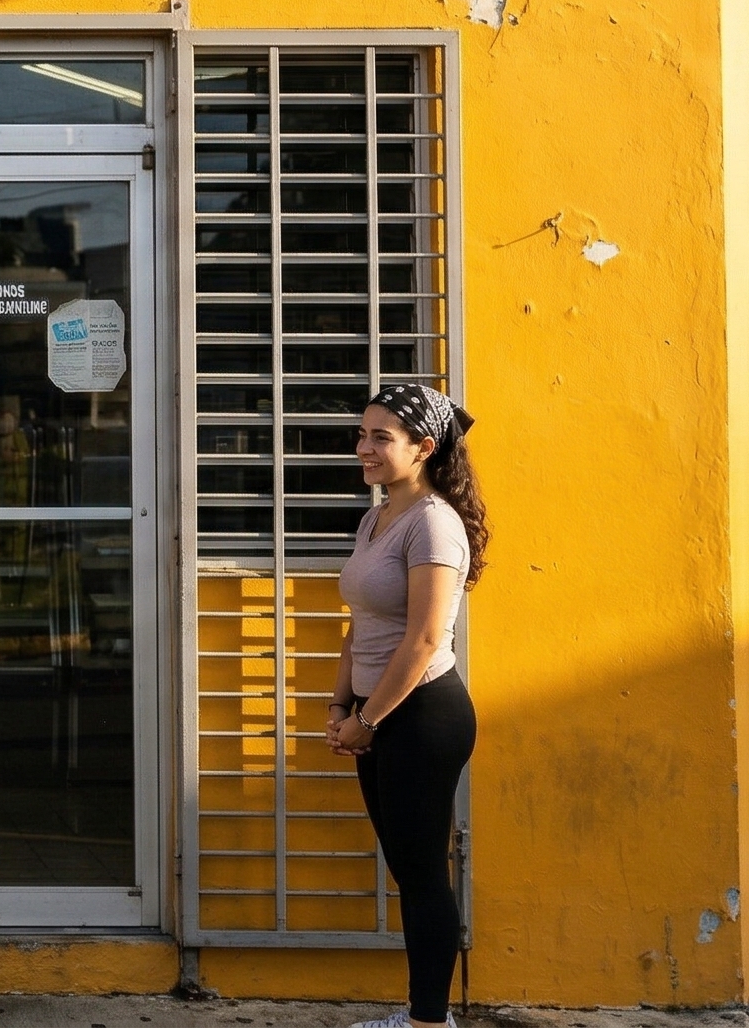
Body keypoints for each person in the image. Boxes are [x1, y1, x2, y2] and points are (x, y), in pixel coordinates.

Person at [329, 384, 487, 1028]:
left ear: (424, 448)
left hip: (422, 716)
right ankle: (423, 1017)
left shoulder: (434, 524)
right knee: (409, 870)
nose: (363, 448)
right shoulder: (378, 517)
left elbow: (423, 640)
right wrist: (341, 705)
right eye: (362, 435)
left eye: (380, 438)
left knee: (423, 876)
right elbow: (361, 624)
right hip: (380, 715)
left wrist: (367, 722)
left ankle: (428, 1022)